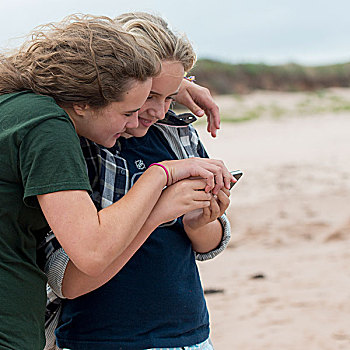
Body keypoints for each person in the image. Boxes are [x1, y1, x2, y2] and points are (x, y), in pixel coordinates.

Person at [0, 14, 233, 350]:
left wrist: (172, 84)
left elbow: (207, 240)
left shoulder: (173, 133)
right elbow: (82, 261)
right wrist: (159, 188)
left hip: (189, 333)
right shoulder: (61, 134)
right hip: (84, 333)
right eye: (139, 103)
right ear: (89, 96)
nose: (151, 113)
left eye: (167, 99)